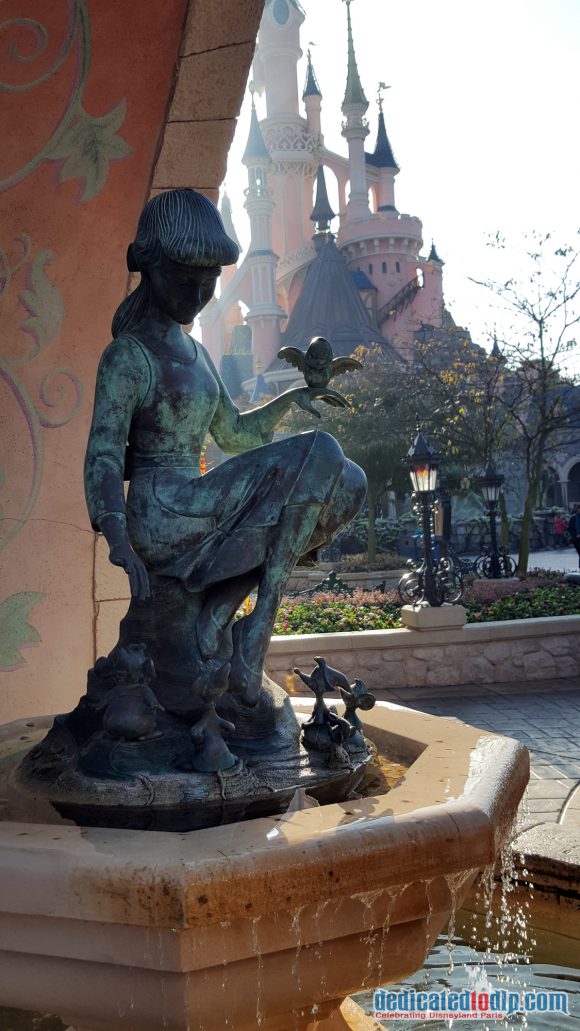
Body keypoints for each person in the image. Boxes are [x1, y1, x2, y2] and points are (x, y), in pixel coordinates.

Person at [84, 188, 366, 712]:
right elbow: (103, 453)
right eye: (184, 278)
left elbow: (234, 434)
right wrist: (116, 534)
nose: (198, 294)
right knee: (322, 449)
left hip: (195, 497)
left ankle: (221, 616)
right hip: (160, 507)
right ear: (149, 266)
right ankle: (259, 622)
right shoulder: (128, 356)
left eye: (210, 280)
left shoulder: (197, 354)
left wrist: (293, 397)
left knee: (349, 484)